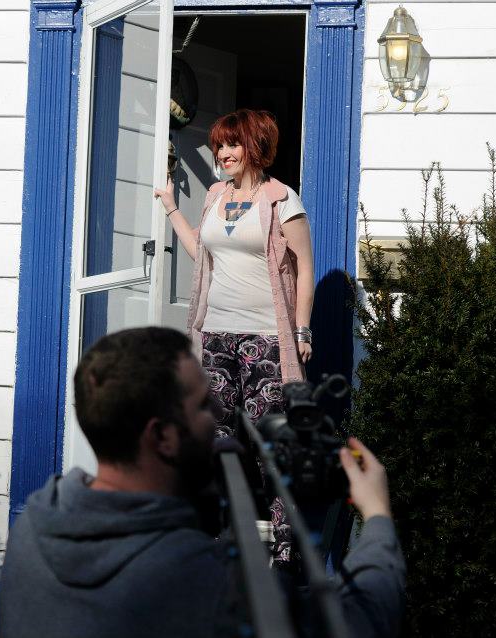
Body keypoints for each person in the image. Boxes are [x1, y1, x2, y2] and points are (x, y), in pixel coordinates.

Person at [0, 327, 405, 638]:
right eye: (203, 405)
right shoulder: (202, 582)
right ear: (162, 436)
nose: (219, 414)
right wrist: (377, 514)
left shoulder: (32, 528)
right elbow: (358, 619)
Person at [155, 109, 315, 564]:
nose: (223, 153)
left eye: (232, 144)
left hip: (266, 338)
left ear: (254, 145)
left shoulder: (282, 200)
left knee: (271, 444)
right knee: (215, 439)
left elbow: (305, 268)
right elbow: (201, 253)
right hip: (216, 336)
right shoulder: (214, 196)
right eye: (220, 146)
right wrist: (171, 207)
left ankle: (285, 551)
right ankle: (216, 535)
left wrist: (302, 329)